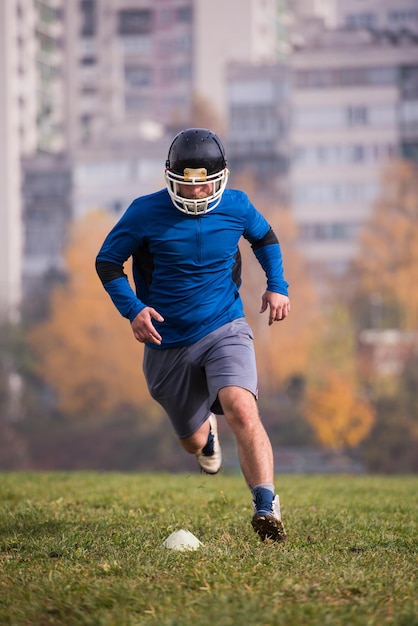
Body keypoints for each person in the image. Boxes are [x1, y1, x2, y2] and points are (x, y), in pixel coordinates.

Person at [96, 128, 290, 542]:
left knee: (242, 407)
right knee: (193, 440)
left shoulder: (236, 205)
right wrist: (133, 310)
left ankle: (266, 504)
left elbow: (265, 237)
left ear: (221, 178)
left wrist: (278, 285)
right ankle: (206, 437)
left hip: (225, 326)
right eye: (188, 183)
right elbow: (108, 262)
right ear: (170, 177)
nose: (198, 192)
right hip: (167, 341)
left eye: (204, 182)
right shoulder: (144, 212)